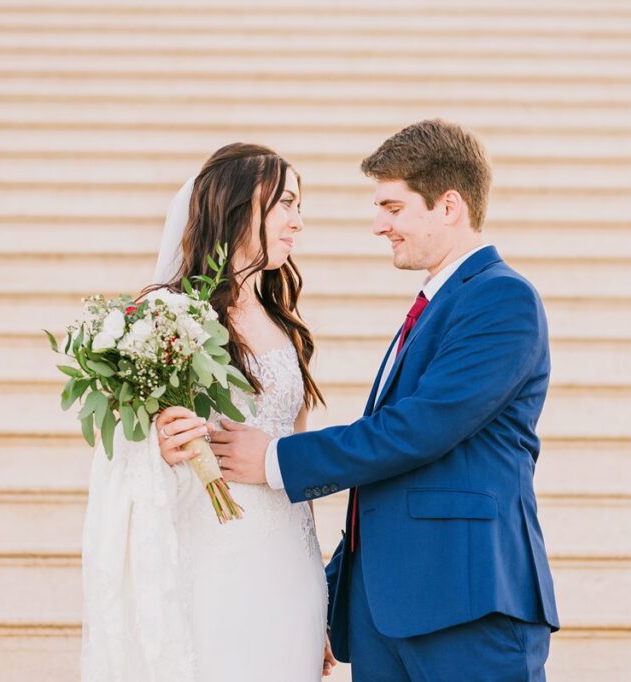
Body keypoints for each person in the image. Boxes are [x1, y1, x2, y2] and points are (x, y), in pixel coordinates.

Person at [207, 120, 560, 681]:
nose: (378, 226)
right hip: (384, 613)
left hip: (467, 605)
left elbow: (416, 430)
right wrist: (325, 596)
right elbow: (388, 478)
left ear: (449, 207)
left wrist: (274, 459)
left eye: (393, 208)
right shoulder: (433, 305)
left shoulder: (501, 298)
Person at [80, 143, 337, 681]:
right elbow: (127, 443)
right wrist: (161, 445)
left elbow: (293, 454)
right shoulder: (168, 314)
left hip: (290, 565)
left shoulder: (283, 321)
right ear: (242, 206)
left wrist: (323, 592)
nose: (298, 222)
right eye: (287, 204)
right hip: (216, 558)